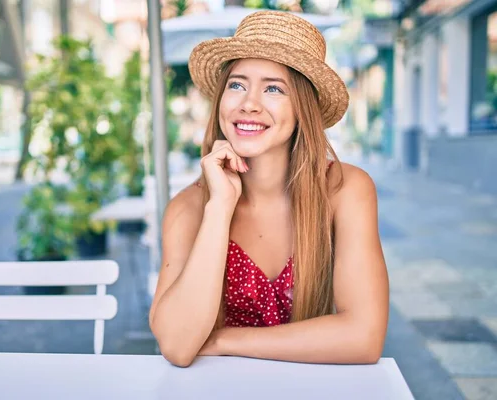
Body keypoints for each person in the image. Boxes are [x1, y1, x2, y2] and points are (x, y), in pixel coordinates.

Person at [149, 10, 389, 368]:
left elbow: (364, 338)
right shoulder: (189, 208)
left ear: (302, 109)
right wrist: (219, 207)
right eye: (237, 84)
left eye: (274, 88)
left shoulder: (345, 190)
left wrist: (223, 340)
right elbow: (177, 346)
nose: (249, 103)